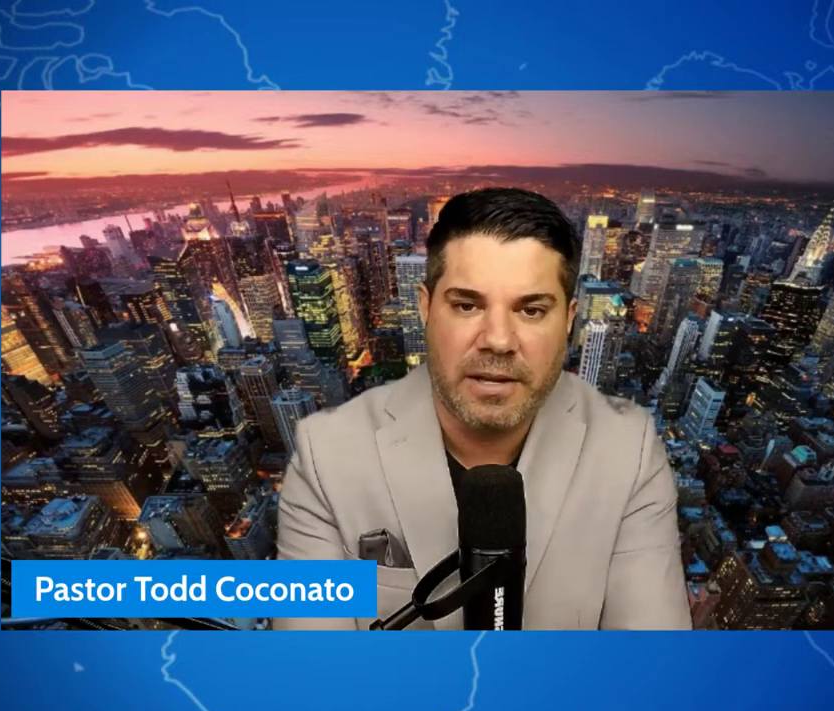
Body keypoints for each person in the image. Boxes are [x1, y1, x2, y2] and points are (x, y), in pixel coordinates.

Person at [274, 187, 691, 630]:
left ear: (569, 320)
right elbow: (312, 663)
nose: (498, 340)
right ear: (425, 308)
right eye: (467, 305)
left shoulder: (629, 452)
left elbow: (651, 659)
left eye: (531, 310)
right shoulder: (325, 456)